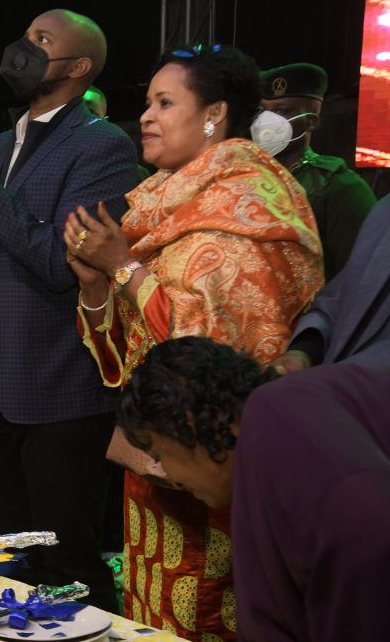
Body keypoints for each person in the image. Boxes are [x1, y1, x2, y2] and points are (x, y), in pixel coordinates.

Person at [65, 44, 323, 639]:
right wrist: (96, 284)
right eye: (146, 103)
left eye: (164, 103)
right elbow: (130, 350)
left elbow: (209, 362)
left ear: (214, 114)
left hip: (215, 467)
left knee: (205, 617)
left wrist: (123, 268)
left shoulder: (246, 207)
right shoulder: (166, 203)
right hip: (154, 457)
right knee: (149, 615)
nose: (146, 117)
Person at [0, 9, 140, 613]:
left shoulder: (103, 146)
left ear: (78, 66)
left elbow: (59, 262)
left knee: (67, 560)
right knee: (10, 553)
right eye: (25, 36)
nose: (22, 48)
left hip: (56, 389)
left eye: (41, 40)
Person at [115, 336, 390, 642]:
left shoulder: (282, 428)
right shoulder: (267, 427)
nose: (169, 475)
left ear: (187, 422)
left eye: (158, 454)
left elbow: (367, 534)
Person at [257, 63, 375, 280]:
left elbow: (361, 279)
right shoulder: (246, 178)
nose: (266, 120)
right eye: (262, 110)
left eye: (282, 111)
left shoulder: (340, 187)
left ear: (311, 122)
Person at [274, 194, 390, 373]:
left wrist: (334, 379)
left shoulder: (347, 191)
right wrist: (304, 351)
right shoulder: (384, 211)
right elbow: (338, 300)